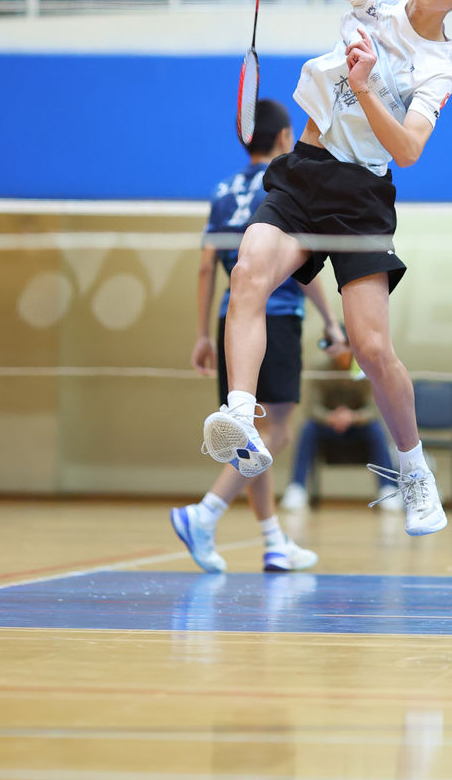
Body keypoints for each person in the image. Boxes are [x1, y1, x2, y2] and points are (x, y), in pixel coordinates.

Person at [202, 0, 452, 537]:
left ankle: (413, 472)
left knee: (372, 347)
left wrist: (363, 87)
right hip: (304, 170)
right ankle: (241, 416)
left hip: (361, 195)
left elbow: (408, 150)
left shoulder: (438, 67)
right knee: (247, 273)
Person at [171, 98, 345, 573]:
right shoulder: (287, 182)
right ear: (286, 137)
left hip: (231, 321)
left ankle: (273, 540)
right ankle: (205, 513)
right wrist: (332, 322)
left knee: (249, 433)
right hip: (277, 317)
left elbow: (206, 265)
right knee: (274, 431)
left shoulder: (223, 191)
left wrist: (201, 334)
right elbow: (302, 264)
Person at [281, 336, 402, 511]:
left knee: (377, 429)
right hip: (328, 427)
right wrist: (331, 417)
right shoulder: (320, 367)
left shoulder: (366, 366)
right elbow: (312, 408)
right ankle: (297, 488)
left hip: (358, 428)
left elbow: (374, 408)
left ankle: (388, 489)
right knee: (307, 429)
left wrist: (352, 417)